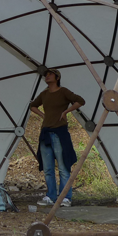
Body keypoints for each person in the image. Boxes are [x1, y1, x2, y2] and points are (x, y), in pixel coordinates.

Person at [29, 69, 85, 207]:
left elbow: (80, 101)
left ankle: (65, 198)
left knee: (63, 167)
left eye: (50, 74)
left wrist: (66, 111)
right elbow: (32, 105)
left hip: (59, 133)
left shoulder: (63, 91)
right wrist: (44, 116)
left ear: (57, 77)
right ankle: (51, 196)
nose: (47, 76)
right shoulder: (44, 94)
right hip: (46, 133)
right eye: (46, 75)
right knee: (48, 169)